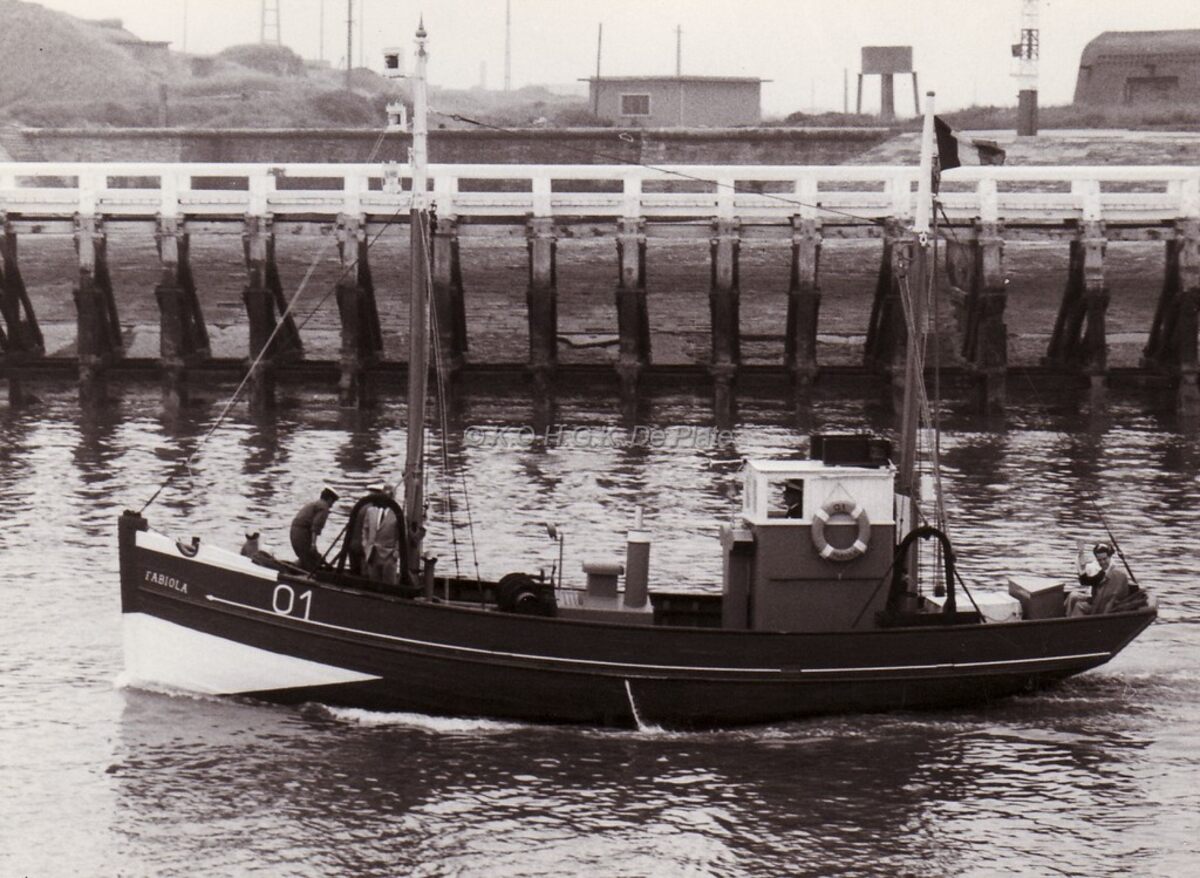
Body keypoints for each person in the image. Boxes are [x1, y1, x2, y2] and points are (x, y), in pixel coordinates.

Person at [1067, 542, 1133, 616]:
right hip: (1097, 599)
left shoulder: (1114, 573)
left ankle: (1072, 621)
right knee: (1073, 596)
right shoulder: (1103, 571)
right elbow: (1087, 581)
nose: (1102, 562)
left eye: (1104, 559)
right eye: (1099, 560)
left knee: (1079, 605)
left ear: (1110, 557)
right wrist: (1081, 553)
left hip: (1103, 606)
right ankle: (1067, 617)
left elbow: (1110, 597)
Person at [290, 487, 339, 572]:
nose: (332, 505)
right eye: (333, 502)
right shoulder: (324, 507)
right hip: (301, 533)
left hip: (295, 531)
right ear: (330, 499)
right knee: (309, 561)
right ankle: (296, 572)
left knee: (307, 557)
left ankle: (292, 569)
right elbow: (316, 527)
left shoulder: (316, 503)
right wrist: (313, 544)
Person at [361, 483, 400, 585]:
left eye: (390, 495)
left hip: (389, 554)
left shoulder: (397, 513)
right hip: (372, 553)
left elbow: (401, 535)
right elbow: (365, 529)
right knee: (373, 582)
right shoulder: (371, 511)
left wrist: (396, 551)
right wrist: (366, 544)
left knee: (389, 583)